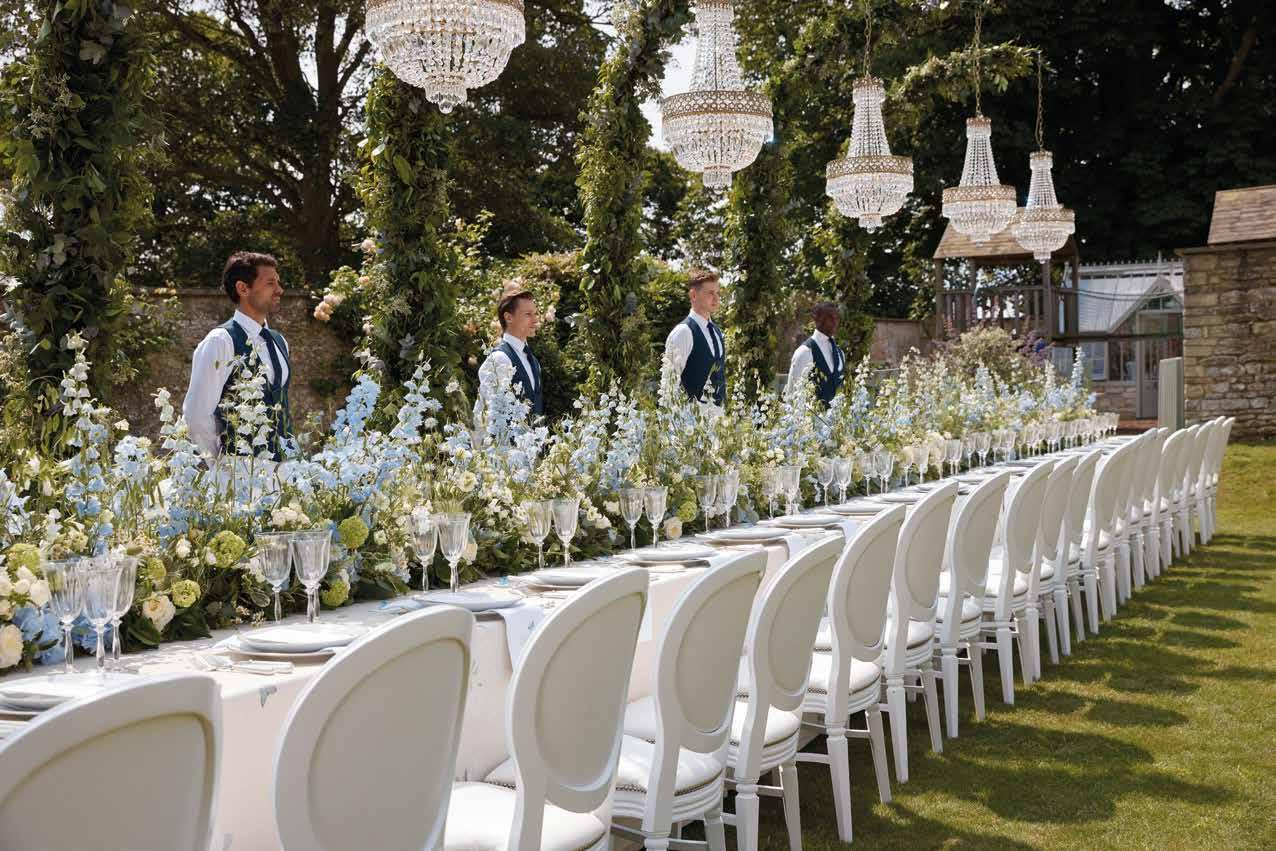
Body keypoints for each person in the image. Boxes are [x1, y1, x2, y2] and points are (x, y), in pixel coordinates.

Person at [183, 252, 293, 463]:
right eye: (270, 283)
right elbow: (196, 415)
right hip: (239, 472)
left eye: (278, 283)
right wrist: (222, 466)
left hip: (285, 471)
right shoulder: (221, 341)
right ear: (243, 288)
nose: (280, 290)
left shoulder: (280, 342)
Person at [475, 284, 544, 424]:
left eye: (535, 314)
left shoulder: (533, 361)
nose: (535, 320)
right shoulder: (500, 359)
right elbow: (484, 416)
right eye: (528, 314)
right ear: (508, 317)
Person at [664, 268, 726, 405]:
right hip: (690, 415)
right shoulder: (683, 332)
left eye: (717, 293)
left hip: (719, 416)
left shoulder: (717, 332)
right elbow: (669, 384)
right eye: (710, 293)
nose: (716, 298)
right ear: (693, 295)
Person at [786, 302, 846, 406]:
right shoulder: (804, 352)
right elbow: (792, 395)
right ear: (818, 319)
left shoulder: (840, 353)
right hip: (811, 415)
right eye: (830, 318)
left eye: (836, 318)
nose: (835, 322)